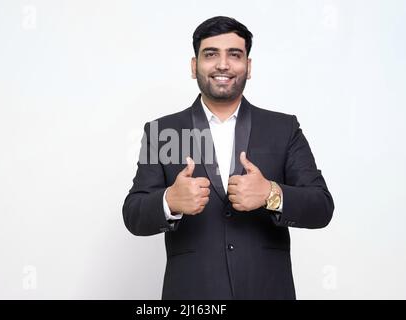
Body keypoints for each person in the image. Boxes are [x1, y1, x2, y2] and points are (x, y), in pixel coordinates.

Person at [122, 16, 334, 300]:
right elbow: (133, 214)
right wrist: (169, 200)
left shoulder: (284, 129)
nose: (223, 64)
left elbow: (321, 206)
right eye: (211, 54)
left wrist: (271, 194)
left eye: (234, 55)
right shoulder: (163, 132)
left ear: (248, 67)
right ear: (194, 65)